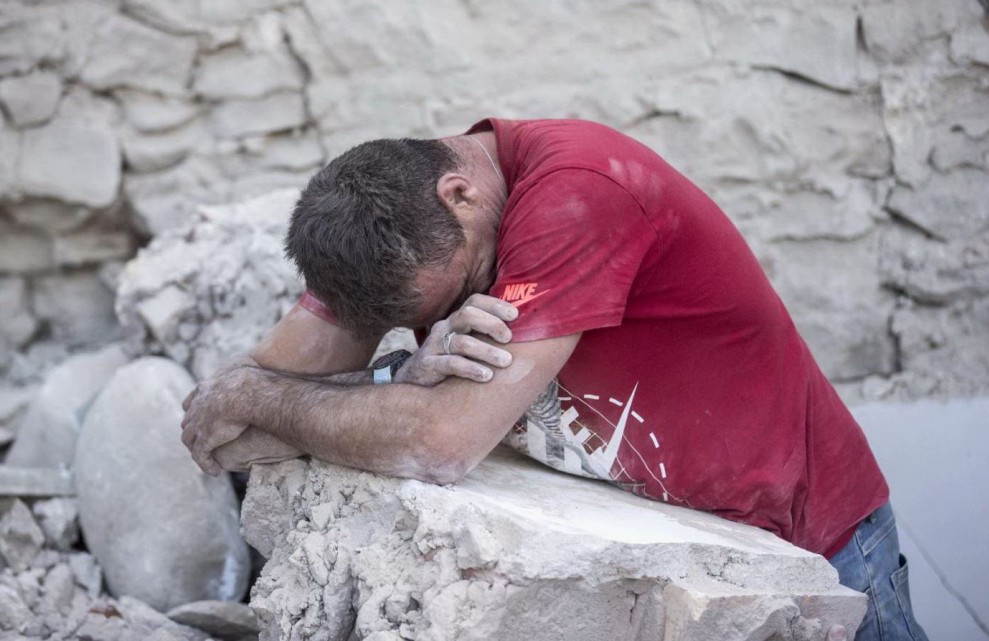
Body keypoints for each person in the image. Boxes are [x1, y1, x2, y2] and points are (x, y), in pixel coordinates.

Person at [180, 118, 928, 641]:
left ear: (459, 195)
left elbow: (440, 441)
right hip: (672, 545)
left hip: (807, 538)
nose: (462, 311)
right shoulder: (386, 225)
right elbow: (232, 422)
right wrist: (400, 370)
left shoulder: (580, 192)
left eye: (466, 284)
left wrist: (279, 396)